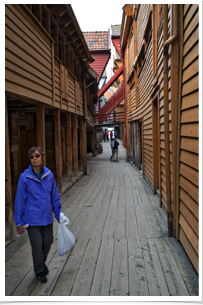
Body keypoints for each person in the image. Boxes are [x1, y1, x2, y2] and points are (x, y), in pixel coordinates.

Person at [13, 146, 62, 283]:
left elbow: (54, 196)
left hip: (47, 217)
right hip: (32, 219)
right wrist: (19, 220)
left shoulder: (49, 175)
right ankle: (39, 271)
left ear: (42, 157)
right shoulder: (24, 177)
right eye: (32, 157)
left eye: (37, 156)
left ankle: (41, 263)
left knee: (48, 242)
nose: (34, 158)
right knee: (37, 245)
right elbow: (20, 200)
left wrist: (58, 214)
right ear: (30, 159)